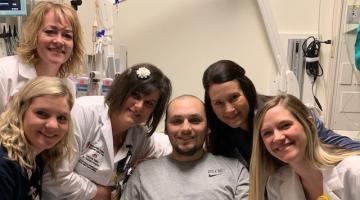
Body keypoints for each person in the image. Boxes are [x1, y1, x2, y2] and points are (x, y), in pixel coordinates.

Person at [42, 63, 173, 200]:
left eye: (149, 103)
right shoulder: (84, 112)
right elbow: (53, 178)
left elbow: (169, 148)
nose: (139, 106)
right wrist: (100, 193)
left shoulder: (140, 136)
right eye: (135, 95)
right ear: (121, 90)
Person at [202, 59, 360, 166]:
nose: (229, 109)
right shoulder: (219, 132)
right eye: (219, 103)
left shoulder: (281, 113)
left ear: (247, 91)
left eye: (234, 97)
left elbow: (334, 144)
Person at [121, 95, 249, 200]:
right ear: (166, 129)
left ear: (208, 127)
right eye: (177, 121)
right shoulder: (143, 174)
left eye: (195, 120)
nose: (186, 129)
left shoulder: (235, 170)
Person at [249, 94, 360, 200]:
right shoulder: (276, 184)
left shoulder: (354, 171)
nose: (277, 137)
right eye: (267, 133)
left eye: (285, 125)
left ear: (310, 125)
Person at [0, 1, 85, 112]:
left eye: (67, 35)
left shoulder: (68, 87)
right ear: (34, 35)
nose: (59, 41)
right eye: (50, 32)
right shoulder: (4, 73)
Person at [0, 76, 74, 200]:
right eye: (42, 113)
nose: (53, 125)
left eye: (61, 118)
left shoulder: (35, 153)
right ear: (20, 111)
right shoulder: (4, 166)